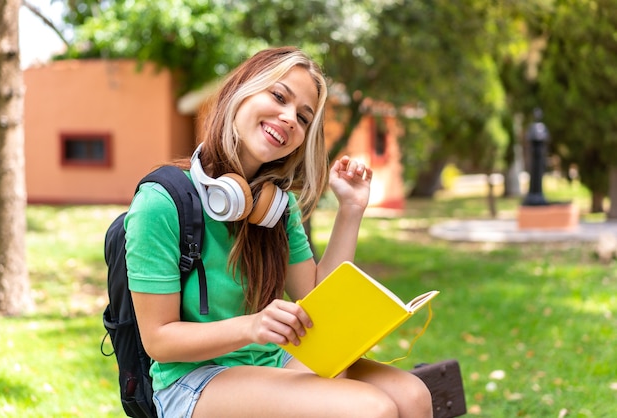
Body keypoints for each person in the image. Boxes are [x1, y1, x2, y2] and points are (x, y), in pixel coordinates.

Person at [126, 46, 433, 418]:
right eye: (278, 96)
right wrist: (253, 326)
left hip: (272, 359)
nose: (289, 118)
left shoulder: (276, 209)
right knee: (370, 409)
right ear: (240, 91)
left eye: (304, 117)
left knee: (412, 395)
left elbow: (318, 298)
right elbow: (159, 340)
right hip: (195, 379)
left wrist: (351, 209)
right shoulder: (162, 202)